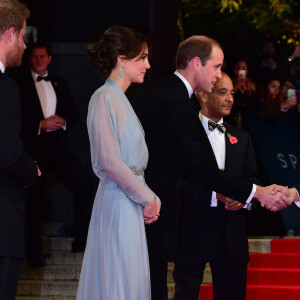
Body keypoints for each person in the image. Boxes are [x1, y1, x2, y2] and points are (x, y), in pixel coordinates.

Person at [134, 35, 291, 300]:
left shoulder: (166, 94)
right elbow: (202, 169)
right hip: (157, 216)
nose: (219, 75)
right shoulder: (176, 103)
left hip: (159, 215)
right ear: (196, 63)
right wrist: (260, 193)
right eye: (216, 67)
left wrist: (248, 195)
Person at [76, 26, 160, 300]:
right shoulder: (103, 98)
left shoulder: (120, 99)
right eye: (143, 57)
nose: (148, 64)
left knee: (131, 282)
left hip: (129, 202)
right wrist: (148, 197)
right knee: (118, 282)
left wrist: (146, 198)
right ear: (122, 58)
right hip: (117, 201)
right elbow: (109, 162)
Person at [173, 72, 261, 300]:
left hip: (232, 234)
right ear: (203, 95)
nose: (230, 98)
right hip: (192, 229)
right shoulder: (184, 135)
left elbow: (254, 182)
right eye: (223, 92)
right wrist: (215, 193)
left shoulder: (243, 138)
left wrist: (244, 199)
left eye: (232, 93)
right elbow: (175, 182)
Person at [15, 43, 94, 260]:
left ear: (49, 58)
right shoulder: (19, 84)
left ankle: (81, 242)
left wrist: (64, 121)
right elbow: (15, 119)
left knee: (85, 186)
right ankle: (33, 253)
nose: (39, 60)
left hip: (59, 148)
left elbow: (74, 113)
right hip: (34, 151)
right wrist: (40, 124)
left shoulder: (60, 81)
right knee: (34, 199)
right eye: (35, 56)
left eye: (43, 56)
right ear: (29, 59)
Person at [0, 1, 39, 299]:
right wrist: (33, 171)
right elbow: (7, 151)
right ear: (9, 33)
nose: (24, 45)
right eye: (23, 37)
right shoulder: (6, 88)